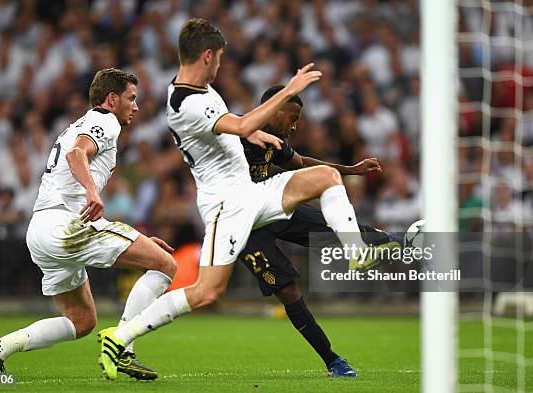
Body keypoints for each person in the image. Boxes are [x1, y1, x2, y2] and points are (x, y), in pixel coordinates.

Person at [98, 18, 377, 380]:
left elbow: (235, 128)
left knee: (327, 176)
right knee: (205, 293)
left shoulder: (198, 90)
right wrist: (286, 91)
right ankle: (120, 336)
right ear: (208, 55)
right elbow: (239, 126)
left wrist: (254, 132)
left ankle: (355, 251)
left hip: (252, 192)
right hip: (226, 205)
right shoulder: (184, 102)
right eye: (219, 58)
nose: (220, 65)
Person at [0, 68, 176, 381]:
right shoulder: (104, 120)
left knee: (82, 321)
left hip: (39, 230)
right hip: (66, 224)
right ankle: (123, 346)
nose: (136, 106)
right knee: (164, 265)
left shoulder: (80, 123)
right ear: (112, 99)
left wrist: (140, 241)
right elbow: (76, 153)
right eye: (131, 98)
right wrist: (92, 192)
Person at [239, 85, 409, 377]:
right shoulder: (237, 133)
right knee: (288, 291)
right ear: (275, 108)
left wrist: (351, 170)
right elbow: (212, 127)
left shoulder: (276, 142)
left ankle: (400, 241)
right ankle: (332, 360)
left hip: (272, 207)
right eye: (291, 118)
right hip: (240, 222)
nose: (293, 127)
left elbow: (302, 163)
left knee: (333, 226)